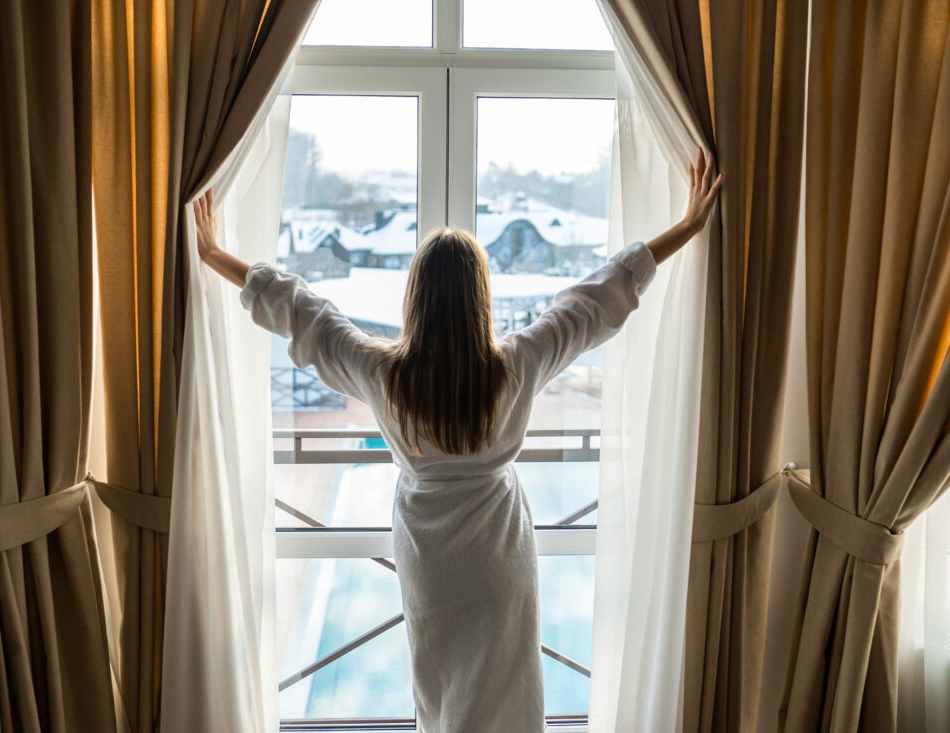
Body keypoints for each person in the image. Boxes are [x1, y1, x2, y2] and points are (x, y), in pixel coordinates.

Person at [196, 148, 722, 733]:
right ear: (481, 298)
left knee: (441, 694)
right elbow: (595, 302)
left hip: (429, 561)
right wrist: (687, 225)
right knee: (505, 695)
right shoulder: (516, 364)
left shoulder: (384, 374)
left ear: (415, 298)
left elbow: (304, 315)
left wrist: (215, 253)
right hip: (498, 557)